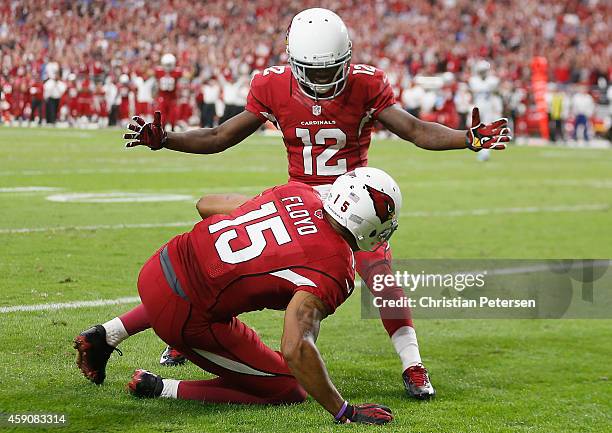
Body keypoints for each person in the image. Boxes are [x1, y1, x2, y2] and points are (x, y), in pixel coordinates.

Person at [122, 8, 512, 399]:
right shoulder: (273, 85)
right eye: (314, 71)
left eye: (331, 70)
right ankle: (194, 332)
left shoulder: (366, 83)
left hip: (356, 205)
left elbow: (414, 130)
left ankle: (412, 364)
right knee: (243, 260)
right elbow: (220, 136)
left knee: (381, 279)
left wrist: (467, 138)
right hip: (298, 202)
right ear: (293, 60)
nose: (323, 80)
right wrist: (167, 139)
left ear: (347, 58)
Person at [75, 168, 400, 425]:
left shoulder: (297, 192)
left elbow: (206, 204)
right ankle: (163, 388)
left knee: (201, 285)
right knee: (288, 386)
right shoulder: (336, 268)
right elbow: (294, 348)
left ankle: (108, 334)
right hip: (184, 315)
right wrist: (345, 411)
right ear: (369, 225)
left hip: (159, 264)